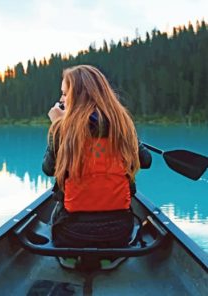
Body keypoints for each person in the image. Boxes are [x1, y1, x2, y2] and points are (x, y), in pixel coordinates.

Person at [42, 65, 151, 269]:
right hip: (118, 235)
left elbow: (48, 169)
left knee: (57, 202)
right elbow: (146, 161)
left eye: (65, 94)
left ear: (77, 95)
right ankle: (112, 257)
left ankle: (69, 258)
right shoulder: (123, 125)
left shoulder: (62, 129)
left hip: (70, 236)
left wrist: (57, 126)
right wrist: (133, 139)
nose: (62, 99)